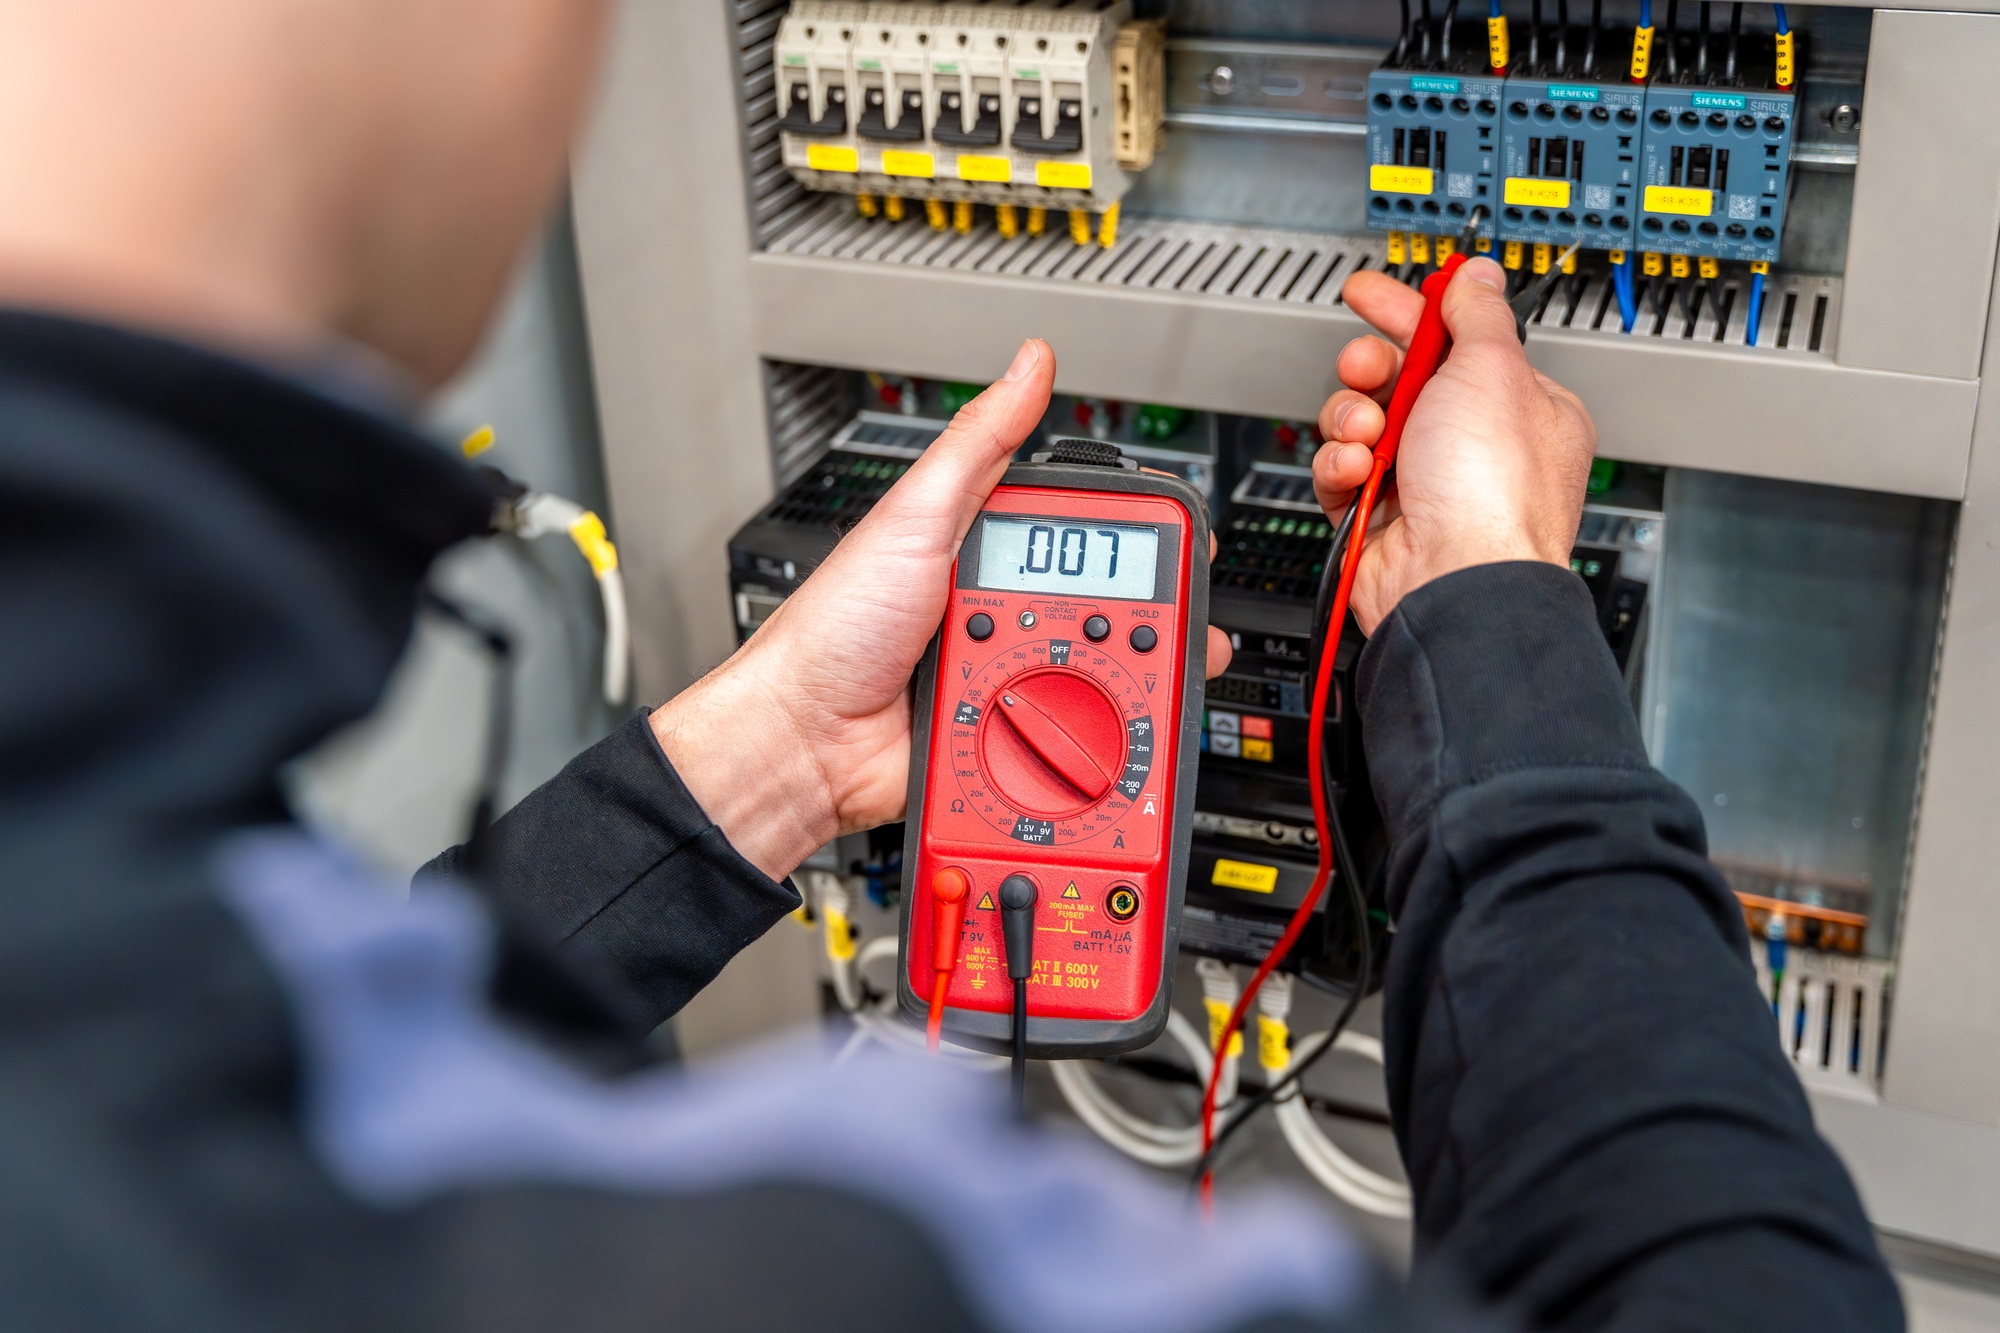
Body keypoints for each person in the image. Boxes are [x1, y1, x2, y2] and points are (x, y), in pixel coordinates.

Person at [0, 2, 1901, 1330]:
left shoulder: (176, 1019)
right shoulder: (858, 1253)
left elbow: (354, 1060)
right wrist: (1493, 613)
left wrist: (767, 754)